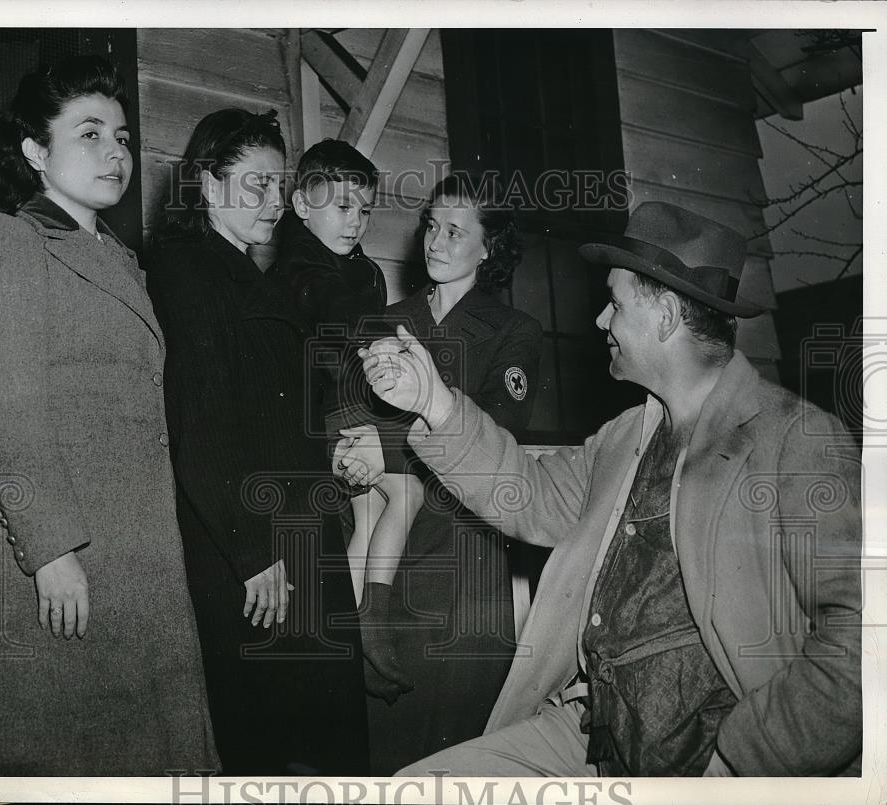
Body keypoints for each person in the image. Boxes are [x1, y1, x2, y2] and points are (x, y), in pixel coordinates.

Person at [360, 201, 862, 777]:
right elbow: (529, 496)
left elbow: (865, 638)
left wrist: (746, 758)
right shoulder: (626, 436)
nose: (601, 321)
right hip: (594, 733)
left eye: (616, 304)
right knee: (416, 787)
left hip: (717, 759)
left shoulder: (793, 439)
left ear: (667, 316)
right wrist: (435, 405)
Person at [0, 55, 220, 775]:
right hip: (45, 550)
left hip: (133, 548)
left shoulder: (123, 257)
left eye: (123, 137)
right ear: (36, 150)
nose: (115, 152)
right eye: (89, 134)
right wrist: (53, 548)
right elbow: (5, 410)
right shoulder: (5, 237)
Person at [144, 109, 369, 776]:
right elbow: (202, 418)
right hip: (254, 551)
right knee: (275, 748)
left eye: (279, 187)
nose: (275, 204)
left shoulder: (244, 274)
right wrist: (250, 549)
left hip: (293, 535)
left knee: (321, 743)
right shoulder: (188, 270)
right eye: (257, 185)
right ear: (209, 186)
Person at [334, 173, 544, 773]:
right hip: (386, 564)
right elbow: (348, 415)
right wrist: (355, 455)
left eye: (456, 231)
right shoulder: (386, 320)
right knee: (384, 758)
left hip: (463, 568)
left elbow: (498, 436)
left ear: (490, 249)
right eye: (432, 225)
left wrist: (388, 448)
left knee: (456, 759)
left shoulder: (512, 334)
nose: (436, 240)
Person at [269, 140, 425, 661]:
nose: (355, 221)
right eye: (341, 207)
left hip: (346, 408)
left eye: (362, 210)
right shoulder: (302, 270)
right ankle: (373, 621)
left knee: (369, 515)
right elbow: (343, 318)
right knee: (405, 492)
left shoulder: (354, 268)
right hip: (335, 412)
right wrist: (392, 341)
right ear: (300, 206)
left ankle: (359, 626)